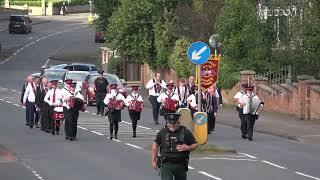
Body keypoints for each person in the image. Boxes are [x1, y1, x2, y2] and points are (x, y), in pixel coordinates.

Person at [151, 113, 198, 180]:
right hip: (166, 164)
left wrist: (187, 148)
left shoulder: (185, 131)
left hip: (181, 164)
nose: (171, 125)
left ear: (178, 123)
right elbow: (155, 145)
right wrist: (153, 161)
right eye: (170, 124)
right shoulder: (163, 132)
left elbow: (195, 144)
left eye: (174, 124)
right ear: (167, 123)